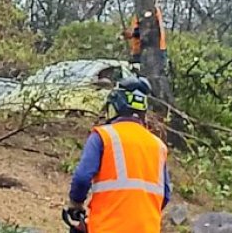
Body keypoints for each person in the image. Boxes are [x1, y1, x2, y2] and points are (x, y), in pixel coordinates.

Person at [65, 76, 170, 233]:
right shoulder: (158, 146)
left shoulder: (104, 136)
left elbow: (82, 178)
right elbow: (166, 194)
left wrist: (76, 204)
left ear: (117, 105)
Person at [122, 0, 167, 66]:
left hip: (150, 51)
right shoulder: (143, 13)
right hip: (142, 50)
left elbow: (146, 31)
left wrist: (131, 34)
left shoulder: (152, 12)